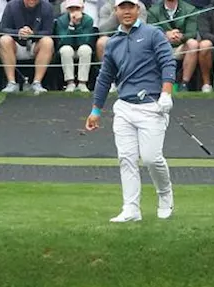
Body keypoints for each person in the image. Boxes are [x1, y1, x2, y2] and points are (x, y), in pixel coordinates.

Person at [84, 0, 178, 223]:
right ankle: (131, 208)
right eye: (122, 8)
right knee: (126, 158)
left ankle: (165, 195)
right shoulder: (113, 42)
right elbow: (105, 78)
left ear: (138, 9)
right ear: (116, 11)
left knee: (151, 158)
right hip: (125, 107)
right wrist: (96, 110)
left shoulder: (153, 33)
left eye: (131, 7)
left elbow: (168, 63)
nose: (126, 12)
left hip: (152, 106)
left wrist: (166, 94)